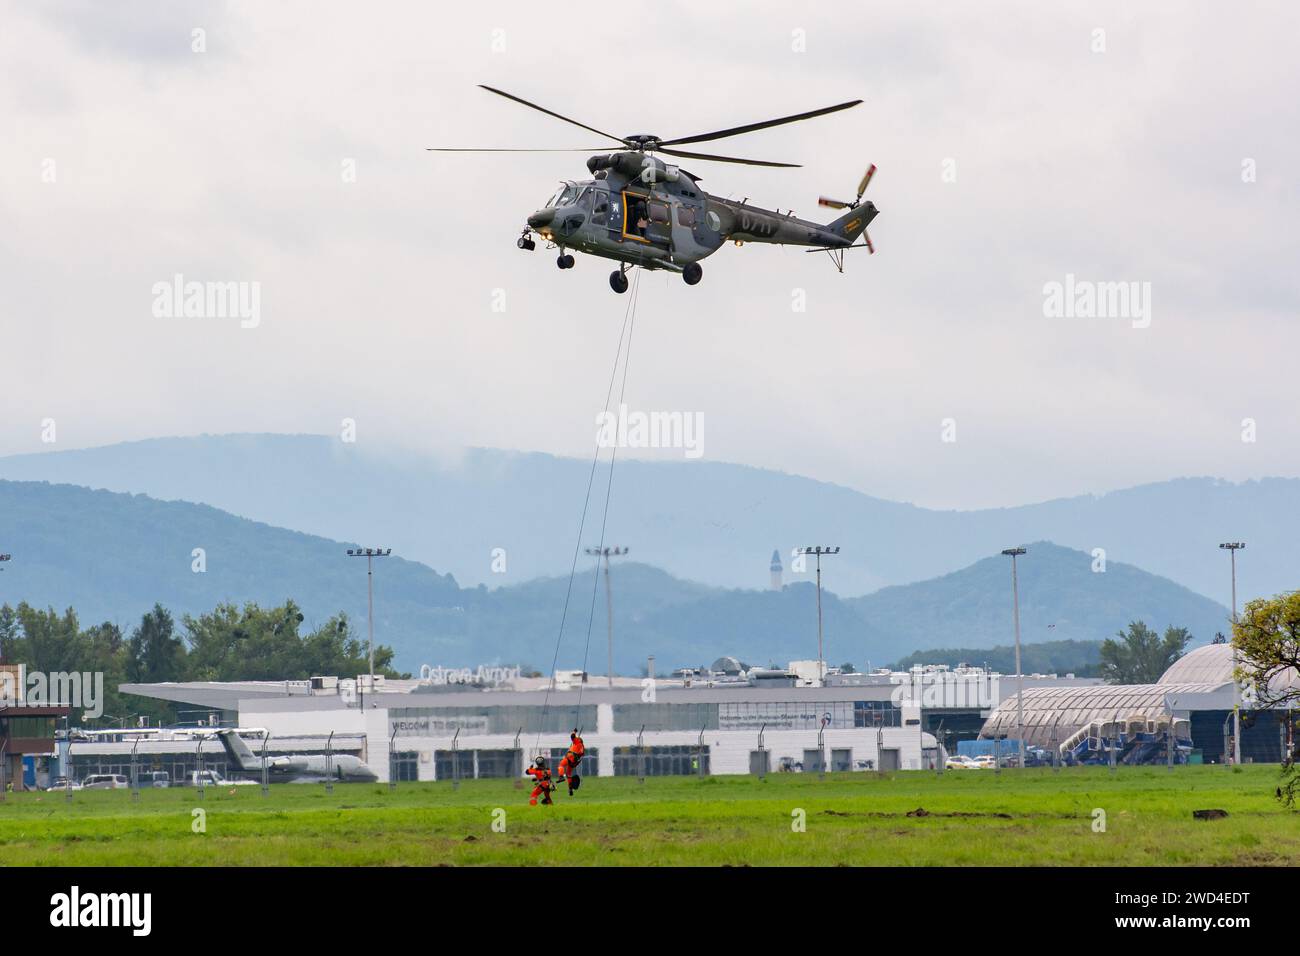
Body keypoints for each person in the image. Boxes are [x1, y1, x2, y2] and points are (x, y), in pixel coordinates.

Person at [556, 729, 585, 795]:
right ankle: (570, 789)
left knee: (561, 765)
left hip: (571, 757)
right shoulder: (582, 748)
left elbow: (572, 736)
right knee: (568, 774)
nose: (576, 739)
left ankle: (561, 776)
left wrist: (574, 731)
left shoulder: (577, 742)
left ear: (579, 740)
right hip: (574, 763)